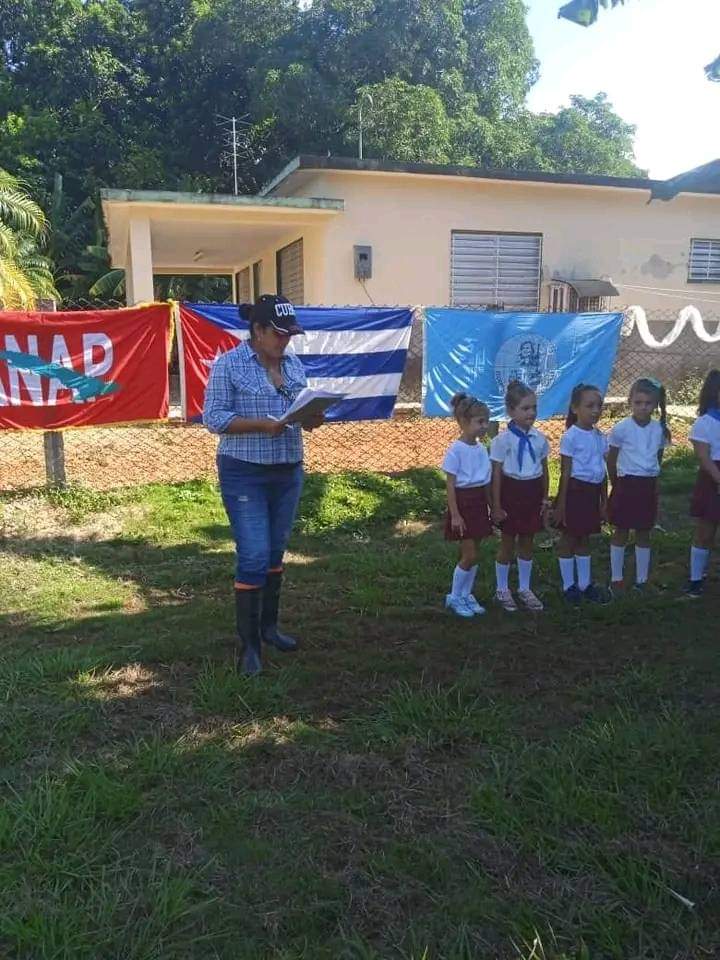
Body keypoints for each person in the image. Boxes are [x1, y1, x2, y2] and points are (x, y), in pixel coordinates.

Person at [203, 294, 324, 675]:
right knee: (254, 554)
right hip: (245, 470)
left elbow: (301, 407)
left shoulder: (292, 363)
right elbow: (214, 417)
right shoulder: (229, 364)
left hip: (287, 469)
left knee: (274, 552)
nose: (286, 341)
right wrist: (262, 425)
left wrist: (311, 417)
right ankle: (249, 646)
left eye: (290, 334)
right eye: (279, 334)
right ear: (257, 330)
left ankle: (269, 629)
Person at [490, 380, 550, 612]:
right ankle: (502, 589)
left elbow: (544, 469)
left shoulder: (539, 439)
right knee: (507, 542)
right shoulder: (501, 441)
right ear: (511, 411)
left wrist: (545, 497)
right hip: (510, 492)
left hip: (532, 492)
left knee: (527, 541)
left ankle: (525, 588)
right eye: (525, 408)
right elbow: (496, 475)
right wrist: (496, 505)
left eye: (534, 407)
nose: (531, 413)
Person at [607, 377, 670, 594]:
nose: (643, 407)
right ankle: (616, 578)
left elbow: (658, 457)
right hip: (626, 484)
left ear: (655, 404)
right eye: (638, 402)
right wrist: (616, 483)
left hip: (647, 486)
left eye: (648, 403)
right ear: (630, 402)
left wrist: (653, 480)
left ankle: (642, 580)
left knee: (644, 532)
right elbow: (611, 458)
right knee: (621, 530)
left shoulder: (658, 430)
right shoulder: (621, 428)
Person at [554, 383, 608, 604]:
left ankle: (585, 584)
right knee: (569, 538)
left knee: (585, 538)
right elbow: (565, 473)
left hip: (592, 493)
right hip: (575, 492)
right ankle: (568, 586)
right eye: (589, 406)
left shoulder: (600, 436)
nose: (595, 410)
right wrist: (561, 504)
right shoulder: (571, 436)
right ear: (575, 408)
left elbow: (602, 471)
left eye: (599, 405)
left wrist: (604, 501)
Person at [442, 392, 493, 618]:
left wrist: (492, 506)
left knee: (475, 553)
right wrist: (455, 515)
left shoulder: (481, 449)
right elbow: (451, 485)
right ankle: (454, 596)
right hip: (463, 504)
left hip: (479, 503)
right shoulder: (455, 450)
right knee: (469, 554)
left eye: (486, 421)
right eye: (479, 422)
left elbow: (486, 482)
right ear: (463, 422)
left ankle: (466, 593)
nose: (484, 426)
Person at [685, 369, 720, 598]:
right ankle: (696, 580)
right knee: (705, 532)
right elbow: (703, 456)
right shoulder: (704, 423)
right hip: (712, 478)